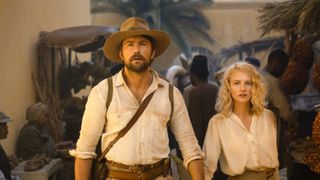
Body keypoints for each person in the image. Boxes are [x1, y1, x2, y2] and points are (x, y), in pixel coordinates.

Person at [70, 17, 204, 180]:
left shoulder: (170, 94)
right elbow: (85, 151)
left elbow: (190, 148)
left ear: (153, 52)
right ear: (121, 53)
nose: (136, 50)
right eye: (130, 44)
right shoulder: (103, 92)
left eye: (143, 44)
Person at [203, 62, 279, 180]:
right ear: (228, 88)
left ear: (254, 87)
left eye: (248, 83)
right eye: (236, 83)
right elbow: (207, 167)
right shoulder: (217, 123)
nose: (242, 88)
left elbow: (275, 161)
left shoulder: (268, 117)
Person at [262, 49, 296, 169]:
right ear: (276, 63)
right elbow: (286, 112)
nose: (283, 72)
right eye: (284, 67)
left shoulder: (256, 77)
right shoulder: (272, 82)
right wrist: (295, 121)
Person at [188, 55, 219, 148]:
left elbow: (196, 126)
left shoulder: (195, 93)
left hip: (203, 146)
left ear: (193, 75)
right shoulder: (215, 88)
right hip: (217, 142)